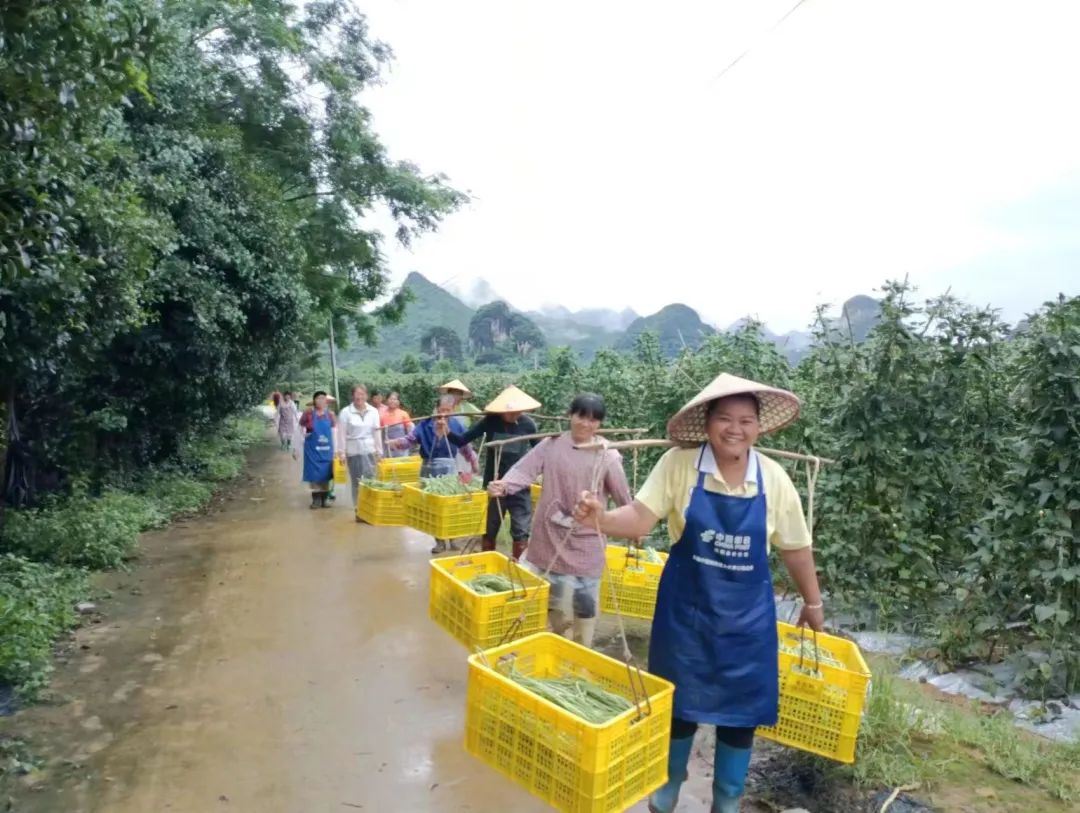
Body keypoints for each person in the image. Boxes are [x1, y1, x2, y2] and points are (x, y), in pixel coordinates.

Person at [574, 373, 824, 813]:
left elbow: (796, 547)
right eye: (725, 418)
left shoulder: (774, 478)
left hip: (747, 626)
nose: (736, 429)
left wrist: (813, 602)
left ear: (759, 427)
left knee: (741, 717)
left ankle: (726, 800)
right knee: (679, 709)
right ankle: (665, 794)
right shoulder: (679, 465)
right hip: (686, 618)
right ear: (707, 424)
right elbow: (638, 520)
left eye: (747, 420)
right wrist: (600, 518)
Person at [488, 394, 631, 647]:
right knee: (550, 591)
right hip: (550, 531)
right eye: (581, 417)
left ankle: (581, 646)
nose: (586, 424)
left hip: (587, 536)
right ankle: (558, 632)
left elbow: (622, 494)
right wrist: (505, 485)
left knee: (586, 596)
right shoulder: (551, 446)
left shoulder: (607, 454)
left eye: (593, 420)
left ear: (599, 423)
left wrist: (633, 522)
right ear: (570, 415)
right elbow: (524, 469)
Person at [448, 385, 541, 561]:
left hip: (519, 484)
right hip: (494, 483)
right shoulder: (490, 422)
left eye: (518, 412)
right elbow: (462, 440)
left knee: (521, 528)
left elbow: (540, 450)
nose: (514, 415)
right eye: (509, 413)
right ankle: (487, 561)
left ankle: (520, 567)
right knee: (491, 526)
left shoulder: (528, 424)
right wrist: (446, 432)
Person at [390, 395, 480, 552]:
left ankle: (452, 539)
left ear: (452, 411)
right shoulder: (425, 425)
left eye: (448, 411)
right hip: (429, 468)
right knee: (433, 506)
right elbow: (410, 440)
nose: (443, 415)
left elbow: (465, 447)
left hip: (449, 468)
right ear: (436, 409)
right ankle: (439, 541)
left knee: (451, 504)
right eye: (441, 410)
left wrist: (473, 461)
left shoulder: (457, 426)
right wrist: (397, 443)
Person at [337, 385, 383, 510]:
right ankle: (359, 509)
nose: (359, 397)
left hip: (370, 450)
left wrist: (379, 452)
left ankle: (370, 508)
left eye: (362, 394)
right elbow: (341, 434)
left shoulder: (373, 411)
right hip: (354, 451)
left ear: (367, 396)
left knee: (371, 480)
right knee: (357, 482)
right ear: (352, 396)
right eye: (357, 394)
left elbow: (377, 432)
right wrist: (341, 453)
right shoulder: (345, 412)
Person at [298, 391, 338, 509]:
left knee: (326, 474)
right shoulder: (308, 414)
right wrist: (303, 437)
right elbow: (300, 428)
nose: (321, 401)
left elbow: (335, 431)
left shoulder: (330, 415)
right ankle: (315, 500)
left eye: (323, 399)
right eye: (318, 398)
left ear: (326, 401)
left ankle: (324, 499)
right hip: (312, 450)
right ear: (314, 400)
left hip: (327, 450)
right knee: (314, 475)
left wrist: (337, 450)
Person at [438, 379, 481, 473]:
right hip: (447, 436)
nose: (455, 396)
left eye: (457, 393)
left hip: (463, 437)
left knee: (465, 461)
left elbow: (481, 415)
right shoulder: (443, 405)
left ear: (461, 396)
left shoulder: (467, 406)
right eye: (452, 393)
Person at [381, 392, 413, 458]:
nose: (392, 401)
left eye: (395, 399)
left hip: (401, 449)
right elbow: (380, 435)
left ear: (398, 402)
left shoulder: (404, 414)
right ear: (387, 400)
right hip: (387, 450)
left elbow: (411, 433)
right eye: (390, 399)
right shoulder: (381, 415)